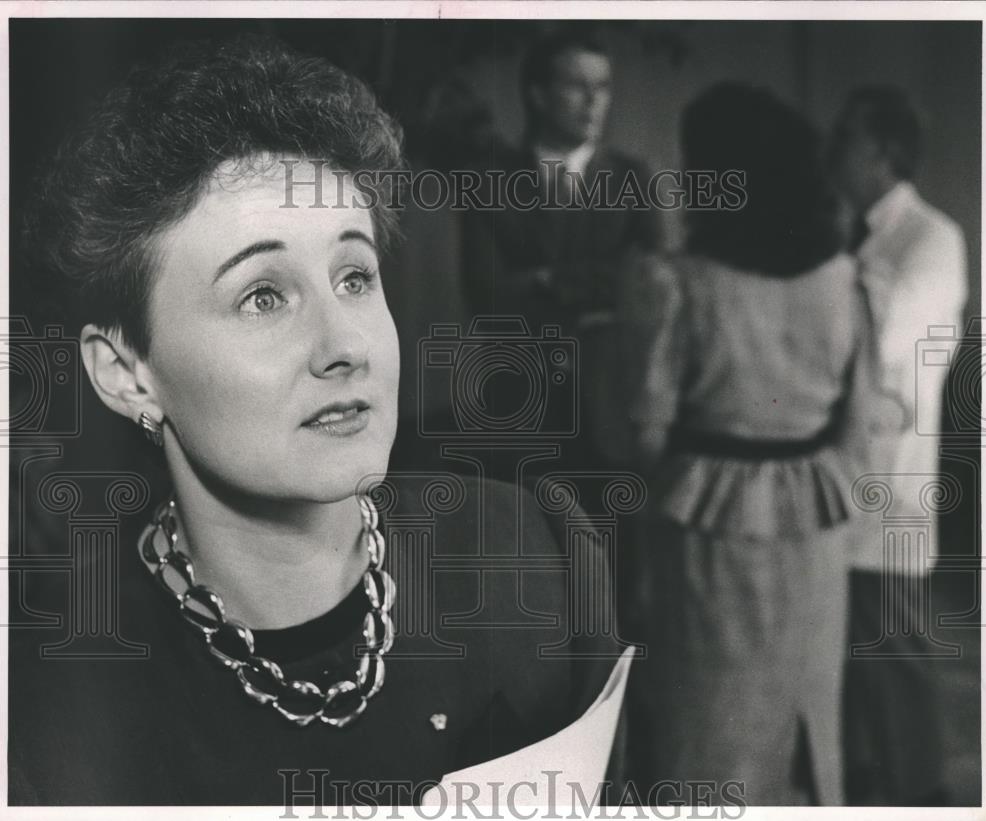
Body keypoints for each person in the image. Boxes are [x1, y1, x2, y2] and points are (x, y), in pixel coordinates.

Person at [8, 36, 626, 806]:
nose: (345, 346)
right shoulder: (47, 706)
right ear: (127, 372)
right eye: (263, 295)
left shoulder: (537, 552)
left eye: (355, 276)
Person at [623, 83, 883, 806]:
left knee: (708, 718)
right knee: (798, 712)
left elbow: (642, 425)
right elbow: (860, 422)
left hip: (710, 529)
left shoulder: (674, 284)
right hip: (811, 528)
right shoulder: (846, 280)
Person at [829, 85, 969, 805]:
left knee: (896, 648)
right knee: (856, 656)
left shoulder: (929, 238)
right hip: (849, 472)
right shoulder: (857, 233)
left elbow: (896, 358)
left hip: (890, 473)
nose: (833, 153)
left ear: (881, 150)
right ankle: (875, 784)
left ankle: (926, 794)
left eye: (845, 139)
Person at [460, 30, 665, 474]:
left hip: (612, 394)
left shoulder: (634, 177)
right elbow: (485, 295)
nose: (594, 102)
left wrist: (545, 279)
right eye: (577, 86)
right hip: (519, 398)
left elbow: (649, 288)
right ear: (538, 94)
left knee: (611, 532)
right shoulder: (488, 180)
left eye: (603, 87)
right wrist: (599, 282)